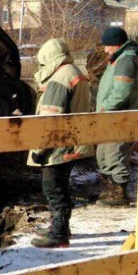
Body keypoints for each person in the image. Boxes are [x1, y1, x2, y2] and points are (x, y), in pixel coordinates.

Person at [28, 38, 94, 248]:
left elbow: (49, 120)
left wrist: (39, 150)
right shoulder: (75, 73)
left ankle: (59, 233)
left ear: (48, 58)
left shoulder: (59, 79)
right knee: (61, 185)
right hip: (73, 142)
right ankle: (61, 227)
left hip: (57, 147)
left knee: (53, 188)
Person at [94, 26, 138, 207]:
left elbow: (121, 92)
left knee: (114, 151)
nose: (105, 50)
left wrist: (105, 106)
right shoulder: (121, 57)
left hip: (117, 115)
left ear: (118, 44)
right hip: (111, 114)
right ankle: (110, 190)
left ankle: (118, 195)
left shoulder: (126, 60)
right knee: (105, 152)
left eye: (108, 46)